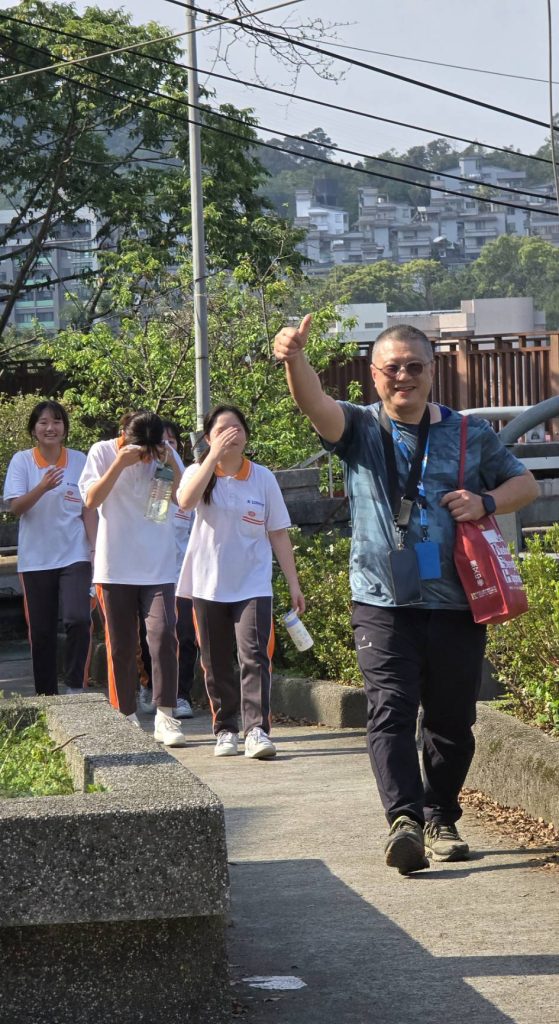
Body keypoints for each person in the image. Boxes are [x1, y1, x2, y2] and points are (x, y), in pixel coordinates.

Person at [274, 318, 538, 873]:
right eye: (391, 368)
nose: (403, 377)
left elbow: (526, 485)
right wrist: (295, 360)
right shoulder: (361, 428)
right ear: (374, 376)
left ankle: (441, 812)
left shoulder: (469, 434)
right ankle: (404, 821)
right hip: (381, 599)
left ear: (431, 371)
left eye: (414, 366)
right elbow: (315, 404)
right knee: (389, 710)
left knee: (453, 719)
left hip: (457, 601)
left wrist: (486, 502)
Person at [176, 404, 304, 759]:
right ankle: (225, 729)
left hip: (253, 584)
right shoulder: (197, 473)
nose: (231, 435)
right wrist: (212, 456)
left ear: (247, 435)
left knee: (253, 656)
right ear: (207, 437)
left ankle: (257, 729)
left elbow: (278, 533)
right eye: (222, 430)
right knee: (215, 660)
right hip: (207, 584)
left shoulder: (263, 478)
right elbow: (185, 502)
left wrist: (293, 583)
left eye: (237, 429)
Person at [78, 410, 187, 747]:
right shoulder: (102, 451)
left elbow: (184, 499)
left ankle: (166, 714)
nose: (144, 454)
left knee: (163, 634)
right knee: (122, 645)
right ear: (121, 434)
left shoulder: (163, 453)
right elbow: (91, 499)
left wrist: (168, 460)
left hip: (158, 566)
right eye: (138, 446)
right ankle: (126, 714)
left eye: (150, 447)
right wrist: (120, 464)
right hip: (115, 566)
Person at [3, 400, 97, 696]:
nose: (50, 428)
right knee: (41, 632)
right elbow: (16, 507)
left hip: (75, 555)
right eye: (43, 422)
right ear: (34, 429)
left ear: (65, 429)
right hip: (35, 560)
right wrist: (42, 486)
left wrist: (95, 549)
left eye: (56, 421)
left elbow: (89, 508)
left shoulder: (80, 460)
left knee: (78, 619)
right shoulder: (22, 461)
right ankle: (46, 696)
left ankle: (74, 687)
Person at [137, 419, 198, 720]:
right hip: (151, 573)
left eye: (172, 441)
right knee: (153, 636)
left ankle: (182, 695)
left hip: (184, 576)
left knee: (186, 635)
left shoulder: (191, 480)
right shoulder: (152, 481)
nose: (168, 447)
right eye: (162, 442)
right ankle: (149, 684)